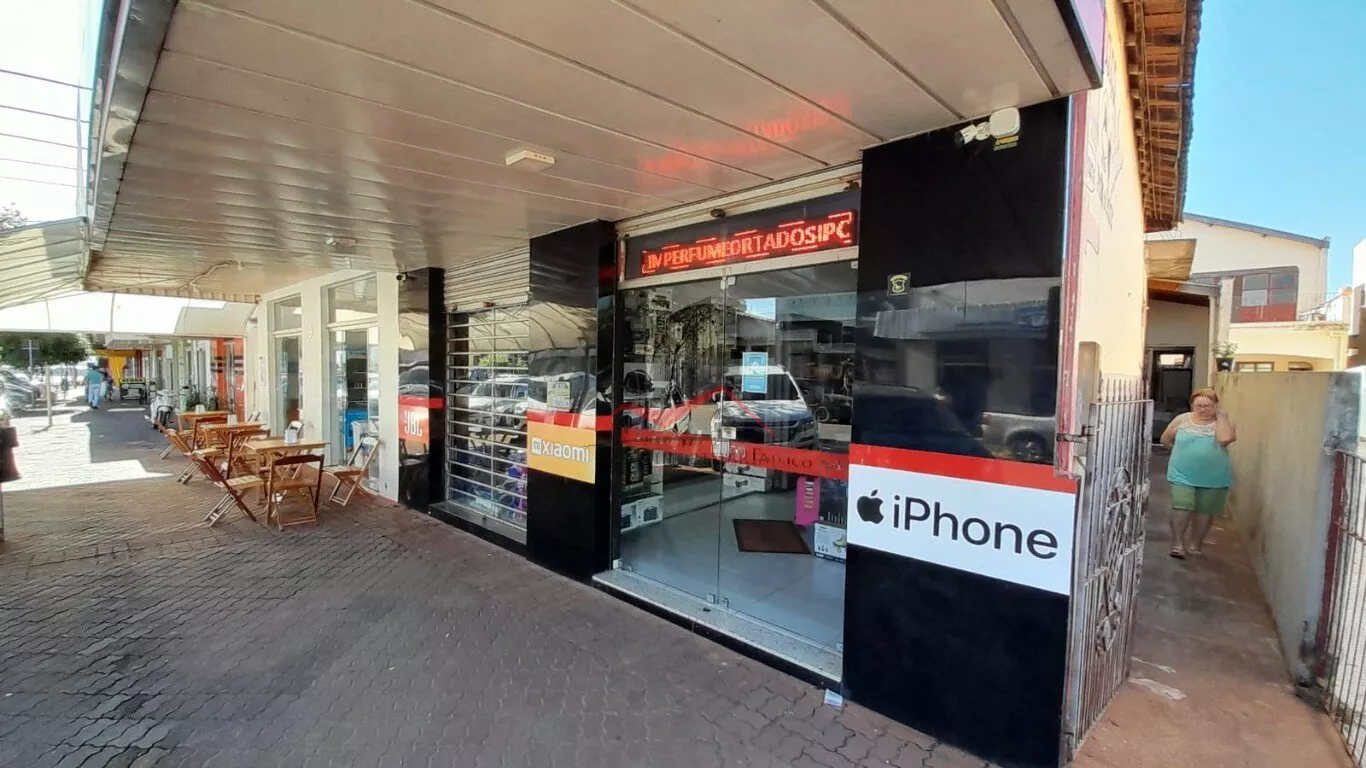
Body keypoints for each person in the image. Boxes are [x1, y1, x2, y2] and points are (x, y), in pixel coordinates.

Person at [1160, 387, 1237, 558]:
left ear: (1216, 406)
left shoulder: (1223, 423)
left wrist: (1222, 418)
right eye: (1198, 405)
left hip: (1213, 476)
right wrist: (1181, 453)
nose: (1202, 409)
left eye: (1207, 406)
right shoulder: (1182, 420)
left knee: (1204, 512)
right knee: (1182, 506)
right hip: (1181, 473)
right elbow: (1165, 439)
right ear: (1192, 405)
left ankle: (1195, 543)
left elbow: (1225, 439)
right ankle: (1178, 544)